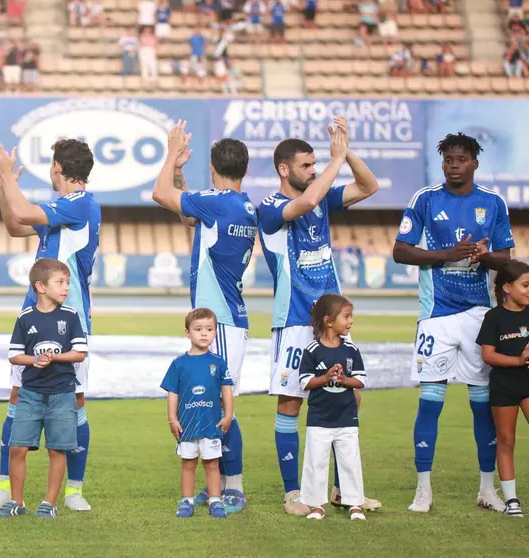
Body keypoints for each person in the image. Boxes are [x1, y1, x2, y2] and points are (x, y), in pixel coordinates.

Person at [257, 117, 381, 514]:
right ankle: (295, 492)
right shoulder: (271, 207)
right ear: (284, 169)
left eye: (315, 165)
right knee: (290, 403)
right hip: (295, 320)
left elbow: (369, 186)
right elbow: (308, 201)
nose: (312, 171)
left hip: (331, 320)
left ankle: (345, 491)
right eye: (306, 166)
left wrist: (347, 154)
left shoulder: (322, 196)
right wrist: (335, 161)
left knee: (347, 398)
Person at [392, 132, 514, 514]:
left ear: (474, 163)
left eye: (461, 159)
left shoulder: (492, 203)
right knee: (430, 404)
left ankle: (487, 488)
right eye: (448, 159)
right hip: (436, 317)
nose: (454, 165)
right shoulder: (425, 199)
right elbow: (399, 251)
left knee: (482, 406)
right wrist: (447, 253)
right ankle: (423, 490)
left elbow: (507, 260)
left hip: (479, 316)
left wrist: (484, 255)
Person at [0, 138, 100, 513]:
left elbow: (27, 212)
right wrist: (4, 189)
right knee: (18, 398)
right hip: (34, 316)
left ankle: (73, 491)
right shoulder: (63, 210)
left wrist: (5, 175)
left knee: (73, 401)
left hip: (71, 318)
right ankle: (4, 488)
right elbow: (16, 225)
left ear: (58, 169)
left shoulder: (80, 203)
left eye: (51, 165)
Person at [150, 120, 253, 511]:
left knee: (223, 405)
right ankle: (227, 485)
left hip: (221, 318)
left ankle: (234, 486)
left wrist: (170, 155)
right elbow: (192, 218)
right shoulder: (239, 206)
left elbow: (161, 194)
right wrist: (180, 172)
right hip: (229, 316)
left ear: (213, 169)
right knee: (218, 404)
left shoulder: (218, 201)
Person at [0, 258, 88, 519]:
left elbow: (80, 353)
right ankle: (17, 501)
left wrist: (55, 357)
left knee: (57, 449)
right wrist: (36, 360)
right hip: (30, 395)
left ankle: (50, 503)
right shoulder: (25, 318)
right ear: (40, 286)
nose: (66, 287)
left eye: (67, 282)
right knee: (17, 448)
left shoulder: (70, 316)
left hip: (62, 394)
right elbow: (14, 356)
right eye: (60, 282)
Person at [298, 294, 367, 521]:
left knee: (350, 461)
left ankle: (354, 503)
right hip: (319, 417)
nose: (351, 322)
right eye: (346, 317)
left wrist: (344, 380)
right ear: (329, 321)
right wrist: (326, 377)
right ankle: (316, 505)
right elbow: (305, 382)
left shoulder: (351, 350)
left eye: (351, 317)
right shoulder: (312, 350)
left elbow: (361, 381)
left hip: (346, 417)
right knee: (315, 462)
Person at [161, 308, 234, 519]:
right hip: (186, 424)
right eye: (198, 329)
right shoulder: (178, 363)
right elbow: (172, 393)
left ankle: (215, 501)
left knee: (212, 463)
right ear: (187, 332)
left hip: (211, 424)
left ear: (214, 333)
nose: (204, 334)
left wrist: (228, 415)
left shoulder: (218, 362)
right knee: (188, 463)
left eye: (209, 329)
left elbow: (227, 390)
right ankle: (186, 501)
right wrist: (172, 419)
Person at [476, 259, 529, 517]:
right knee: (506, 440)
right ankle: (512, 501)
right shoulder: (494, 317)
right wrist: (518, 360)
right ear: (507, 288)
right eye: (526, 285)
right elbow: (488, 355)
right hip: (504, 386)